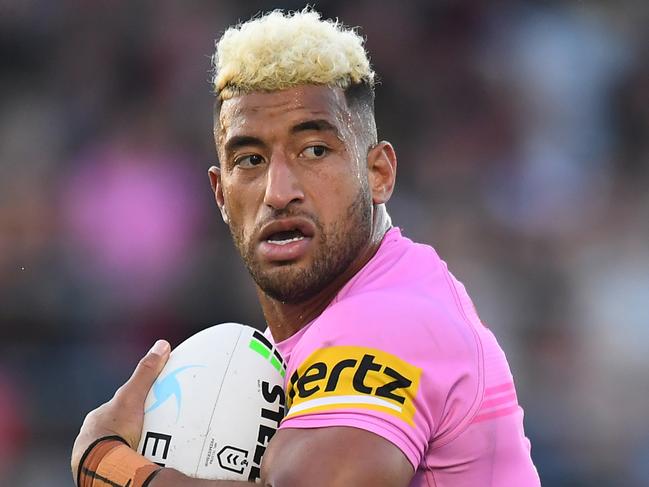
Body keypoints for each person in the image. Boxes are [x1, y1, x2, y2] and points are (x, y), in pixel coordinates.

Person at [71, 9, 541, 487]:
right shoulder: (346, 318)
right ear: (220, 195)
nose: (279, 191)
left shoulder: (390, 319)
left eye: (314, 150)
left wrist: (108, 465)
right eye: (250, 159)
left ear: (378, 173)